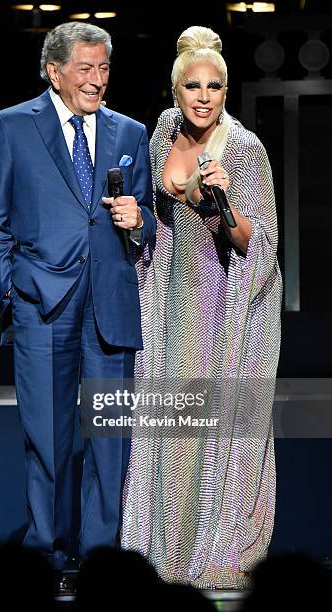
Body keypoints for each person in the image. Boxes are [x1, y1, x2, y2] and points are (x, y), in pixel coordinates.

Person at [0, 22, 155, 572]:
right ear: (54, 71)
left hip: (110, 304)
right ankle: (47, 557)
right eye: (85, 68)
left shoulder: (129, 132)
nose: (97, 80)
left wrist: (139, 220)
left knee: (109, 443)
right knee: (48, 443)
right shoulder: (10, 126)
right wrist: (12, 287)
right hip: (40, 305)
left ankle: (100, 559)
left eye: (103, 69)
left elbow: (144, 218)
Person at [121, 26, 282, 589]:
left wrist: (224, 202)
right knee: (170, 433)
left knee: (215, 435)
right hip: (168, 303)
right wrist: (137, 222)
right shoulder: (162, 134)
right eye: (193, 85)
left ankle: (215, 551)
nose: (204, 96)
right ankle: (161, 551)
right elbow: (152, 216)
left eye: (215, 86)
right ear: (175, 90)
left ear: (226, 91)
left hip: (225, 309)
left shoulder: (243, 150)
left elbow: (259, 244)